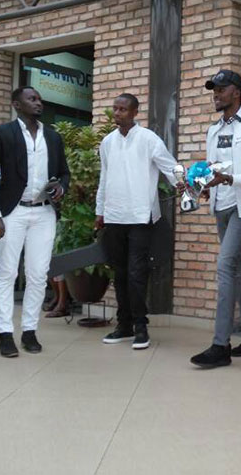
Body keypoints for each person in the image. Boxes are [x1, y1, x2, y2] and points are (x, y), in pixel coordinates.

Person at [190, 69, 241, 369]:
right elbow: (213, 167)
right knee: (238, 269)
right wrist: (202, 185)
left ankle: (220, 346)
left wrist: (229, 178)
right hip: (222, 206)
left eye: (220, 89)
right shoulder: (213, 130)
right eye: (214, 89)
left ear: (236, 93)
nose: (215, 93)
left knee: (225, 266)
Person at [0, 86, 70, 358]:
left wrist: (61, 187)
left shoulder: (53, 137)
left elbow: (64, 173)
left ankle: (29, 331)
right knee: (7, 273)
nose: (38, 102)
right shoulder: (2, 133)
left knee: (37, 274)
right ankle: (5, 334)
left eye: (39, 98)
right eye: (31, 99)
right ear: (16, 105)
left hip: (43, 213)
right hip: (12, 212)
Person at [96, 93, 179, 350]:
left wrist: (189, 186)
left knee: (136, 273)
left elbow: (170, 167)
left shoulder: (148, 139)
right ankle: (124, 326)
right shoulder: (107, 142)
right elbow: (104, 178)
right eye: (116, 108)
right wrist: (100, 211)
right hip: (114, 216)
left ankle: (141, 326)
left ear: (134, 113)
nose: (118, 113)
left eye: (123, 109)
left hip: (141, 217)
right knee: (119, 273)